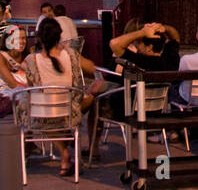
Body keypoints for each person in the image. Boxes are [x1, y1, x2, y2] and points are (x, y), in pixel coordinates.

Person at [24, 17, 103, 176]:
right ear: (60, 35)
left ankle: (64, 152)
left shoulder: (30, 61)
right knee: (95, 96)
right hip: (70, 113)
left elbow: (30, 88)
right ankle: (86, 146)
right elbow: (91, 67)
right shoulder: (71, 55)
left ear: (39, 38)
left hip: (42, 116)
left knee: (38, 108)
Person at [109, 21, 182, 73]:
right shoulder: (171, 58)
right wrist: (164, 28)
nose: (137, 46)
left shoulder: (141, 61)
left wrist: (143, 32)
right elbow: (175, 37)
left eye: (139, 43)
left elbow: (114, 43)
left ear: (149, 47)